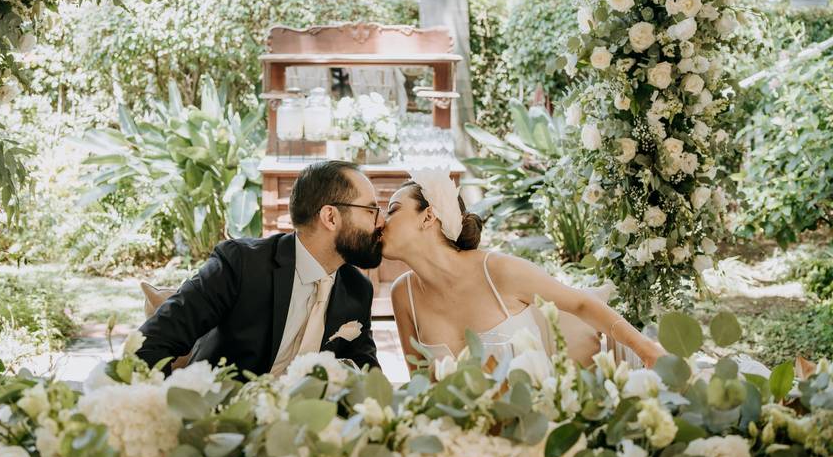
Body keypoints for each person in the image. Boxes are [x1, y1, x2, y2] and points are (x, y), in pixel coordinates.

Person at [382, 169, 666, 371]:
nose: (382, 221)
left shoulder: (497, 270)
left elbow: (579, 303)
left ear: (428, 216)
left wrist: (645, 348)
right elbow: (420, 385)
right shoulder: (403, 295)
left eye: (392, 210)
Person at [137, 160, 382, 375]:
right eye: (372, 210)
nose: (381, 222)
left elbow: (367, 376)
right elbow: (151, 343)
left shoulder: (356, 289)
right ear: (330, 217)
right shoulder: (241, 264)